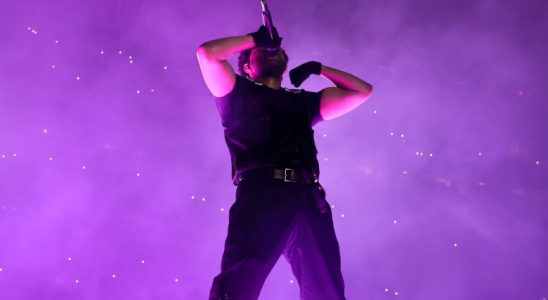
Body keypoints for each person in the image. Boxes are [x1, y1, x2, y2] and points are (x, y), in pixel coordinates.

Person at [196, 25, 372, 300]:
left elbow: (361, 92)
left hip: (308, 196)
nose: (270, 51)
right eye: (261, 51)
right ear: (246, 68)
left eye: (274, 49)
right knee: (239, 282)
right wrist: (253, 39)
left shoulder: (302, 102)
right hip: (262, 192)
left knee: (326, 289)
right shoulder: (237, 94)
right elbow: (207, 54)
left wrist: (320, 68)